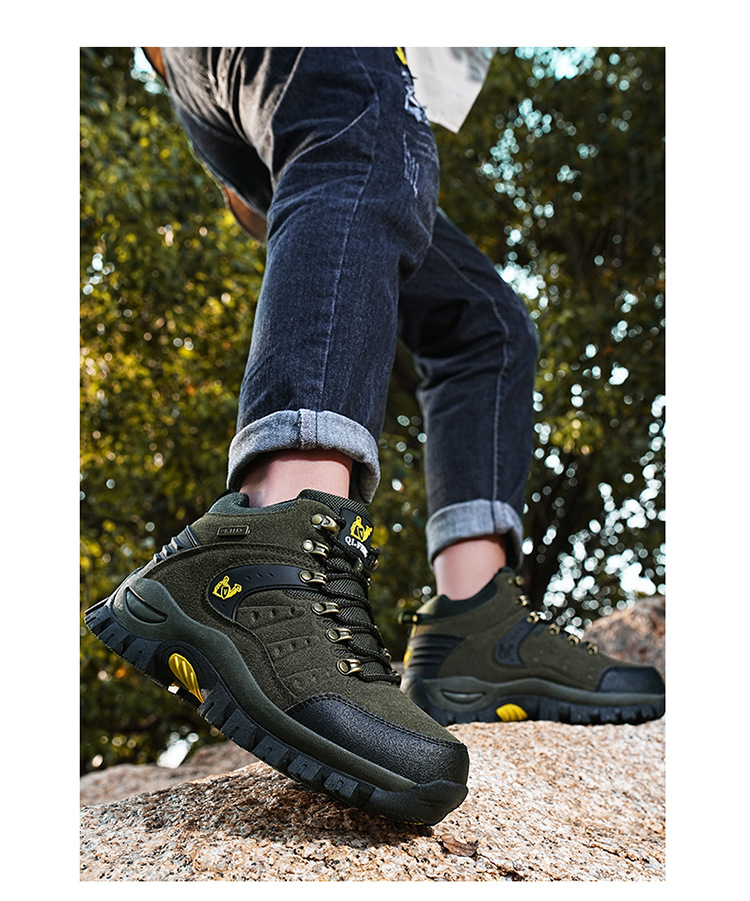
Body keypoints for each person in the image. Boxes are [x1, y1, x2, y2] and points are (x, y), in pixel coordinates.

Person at [85, 47, 664, 826]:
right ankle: (271, 544)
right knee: (361, 143)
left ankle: (477, 627)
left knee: (487, 328)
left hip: (241, 80)